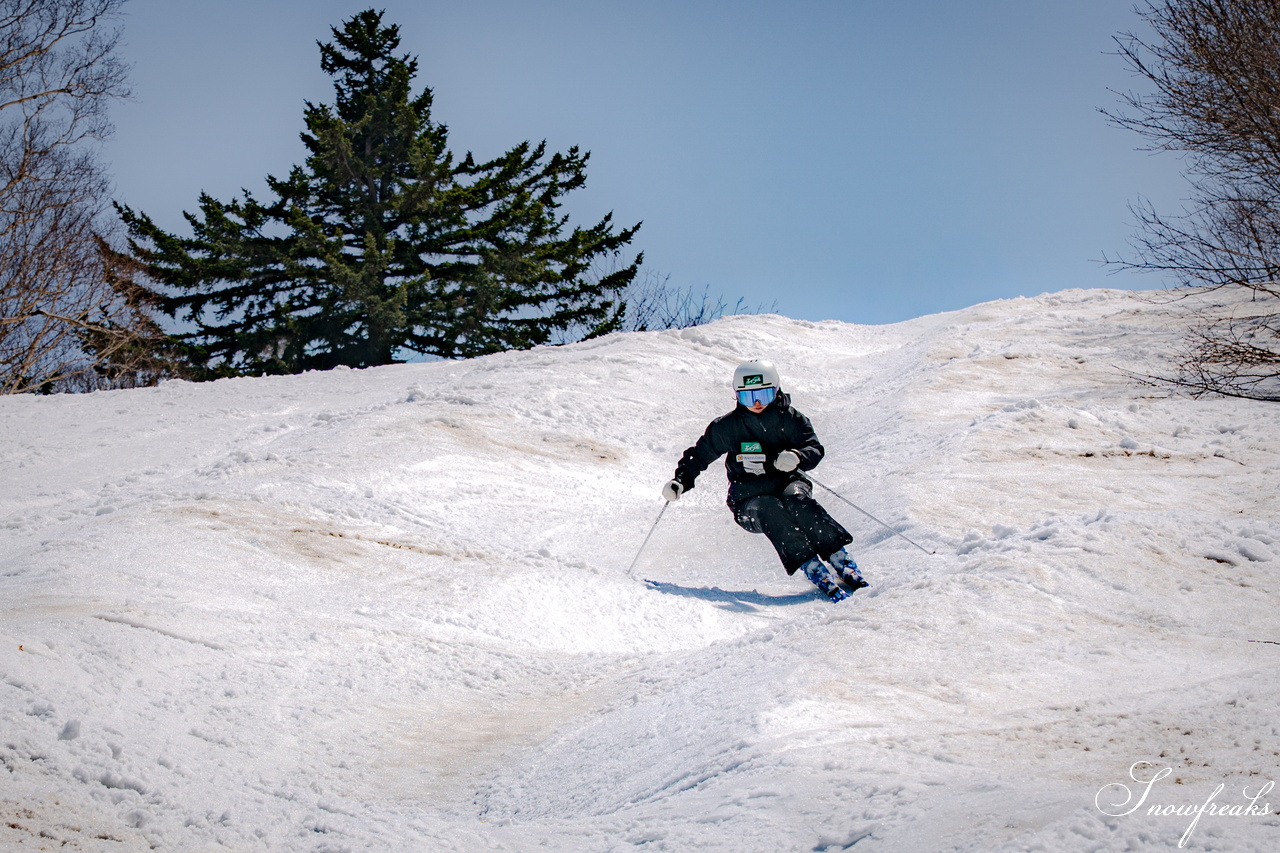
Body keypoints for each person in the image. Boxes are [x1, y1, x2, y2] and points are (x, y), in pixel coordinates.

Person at [661, 359, 867, 602]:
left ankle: (838, 556)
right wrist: (681, 481)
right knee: (769, 508)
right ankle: (810, 565)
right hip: (747, 500)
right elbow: (699, 455)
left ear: (776, 390)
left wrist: (798, 456)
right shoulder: (728, 427)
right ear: (737, 396)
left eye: (764, 395)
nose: (757, 403)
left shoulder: (789, 419)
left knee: (797, 500)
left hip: (787, 483)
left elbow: (813, 447)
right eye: (749, 398)